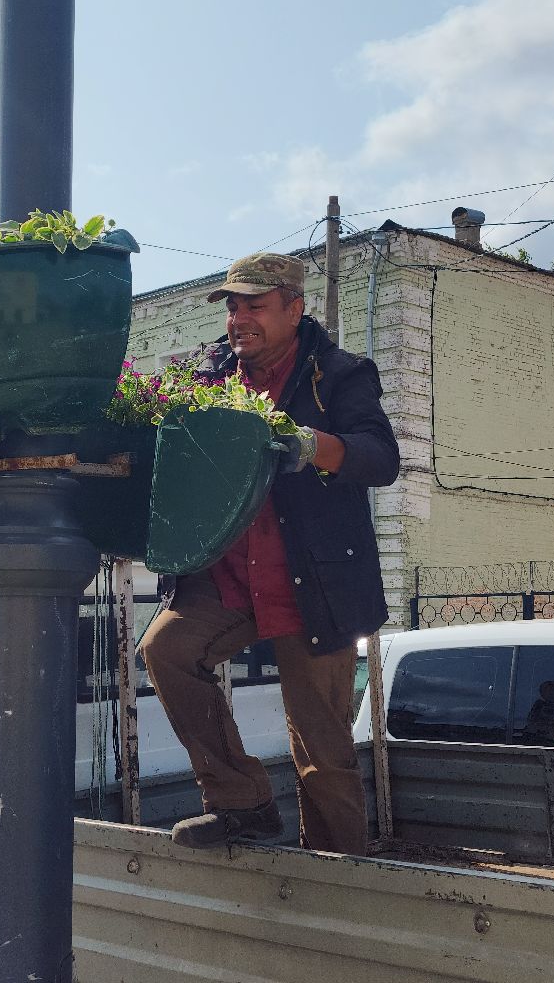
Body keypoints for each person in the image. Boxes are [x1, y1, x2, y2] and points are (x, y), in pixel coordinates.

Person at [140, 251, 399, 856]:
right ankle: (241, 805)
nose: (239, 318)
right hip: (228, 577)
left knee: (321, 748)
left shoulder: (339, 373)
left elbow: (380, 457)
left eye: (254, 305)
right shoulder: (208, 377)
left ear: (293, 307)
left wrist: (312, 445)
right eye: (232, 306)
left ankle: (339, 869)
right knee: (167, 651)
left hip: (314, 583)